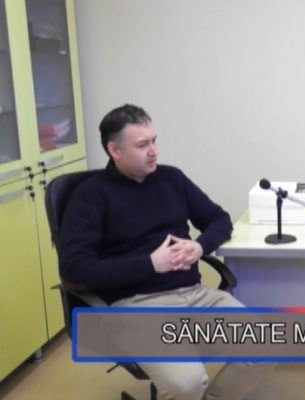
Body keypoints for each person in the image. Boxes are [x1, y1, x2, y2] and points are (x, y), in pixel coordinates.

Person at [58, 104, 273, 400]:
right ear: (114, 150)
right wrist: (150, 264)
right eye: (142, 145)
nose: (154, 151)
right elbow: (74, 269)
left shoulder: (172, 179)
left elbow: (219, 219)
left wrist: (199, 246)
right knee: (186, 383)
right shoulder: (90, 196)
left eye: (154, 141)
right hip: (138, 305)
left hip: (196, 295)